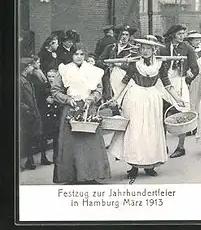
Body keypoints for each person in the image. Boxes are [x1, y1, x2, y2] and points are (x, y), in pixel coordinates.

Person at [108, 36, 186, 178]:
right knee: (135, 131)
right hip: (135, 97)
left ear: (153, 50)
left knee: (151, 131)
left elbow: (167, 84)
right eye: (142, 48)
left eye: (148, 48)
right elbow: (124, 82)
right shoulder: (134, 63)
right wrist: (115, 97)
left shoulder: (160, 64)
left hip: (152, 99)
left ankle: (150, 165)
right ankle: (134, 166)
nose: (144, 51)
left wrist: (178, 99)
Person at [51, 43, 111, 184]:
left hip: (88, 108)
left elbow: (98, 90)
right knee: (71, 143)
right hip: (71, 108)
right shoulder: (64, 70)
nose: (79, 57)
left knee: (89, 142)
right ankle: (72, 176)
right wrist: (67, 99)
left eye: (81, 54)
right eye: (76, 54)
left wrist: (91, 98)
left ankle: (91, 175)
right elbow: (55, 90)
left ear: (85, 55)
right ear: (71, 55)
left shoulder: (93, 70)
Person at [160, 24, 199, 158]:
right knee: (162, 113)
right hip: (164, 82)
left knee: (182, 113)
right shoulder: (163, 48)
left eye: (183, 33)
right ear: (173, 35)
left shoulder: (187, 48)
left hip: (179, 81)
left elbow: (195, 69)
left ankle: (181, 146)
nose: (182, 36)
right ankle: (162, 144)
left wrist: (189, 76)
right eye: (179, 34)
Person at [97, 25, 138, 115]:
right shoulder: (111, 47)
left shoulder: (132, 50)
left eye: (127, 35)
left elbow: (135, 67)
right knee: (112, 100)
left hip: (125, 78)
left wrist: (121, 64)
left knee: (126, 100)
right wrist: (107, 63)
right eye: (122, 34)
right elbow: (99, 60)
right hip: (111, 77)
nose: (124, 37)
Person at [19, 57, 43, 170]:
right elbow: (17, 100)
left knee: (29, 138)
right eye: (31, 66)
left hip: (31, 114)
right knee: (24, 138)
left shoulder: (27, 79)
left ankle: (30, 160)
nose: (33, 68)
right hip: (25, 115)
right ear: (26, 68)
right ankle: (25, 162)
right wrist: (27, 109)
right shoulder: (19, 81)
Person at [185, 30, 201, 136]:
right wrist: (187, 71)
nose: (197, 42)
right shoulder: (187, 50)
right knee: (191, 101)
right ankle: (191, 125)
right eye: (195, 40)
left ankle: (199, 126)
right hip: (191, 78)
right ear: (190, 41)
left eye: (198, 39)